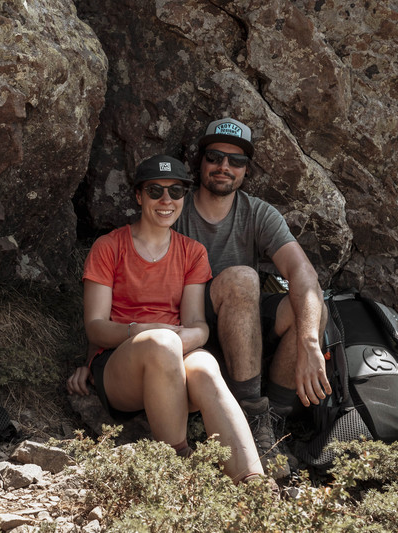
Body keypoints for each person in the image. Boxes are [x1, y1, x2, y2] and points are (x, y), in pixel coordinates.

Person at [66, 154, 265, 484]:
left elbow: (198, 325)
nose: (166, 200)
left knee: (205, 367)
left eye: (176, 191)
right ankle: (179, 467)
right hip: (123, 369)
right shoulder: (109, 247)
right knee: (160, 343)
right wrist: (144, 331)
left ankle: (253, 484)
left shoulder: (193, 252)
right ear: (138, 195)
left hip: (175, 356)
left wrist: (178, 340)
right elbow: (96, 327)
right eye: (155, 191)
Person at [173, 118, 331, 478]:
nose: (224, 167)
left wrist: (309, 343)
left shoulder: (257, 212)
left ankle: (271, 425)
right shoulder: (176, 208)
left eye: (236, 161)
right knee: (243, 278)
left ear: (246, 170)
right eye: (215, 157)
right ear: (200, 161)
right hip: (194, 326)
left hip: (244, 325)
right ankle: (250, 411)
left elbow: (303, 273)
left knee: (312, 310)